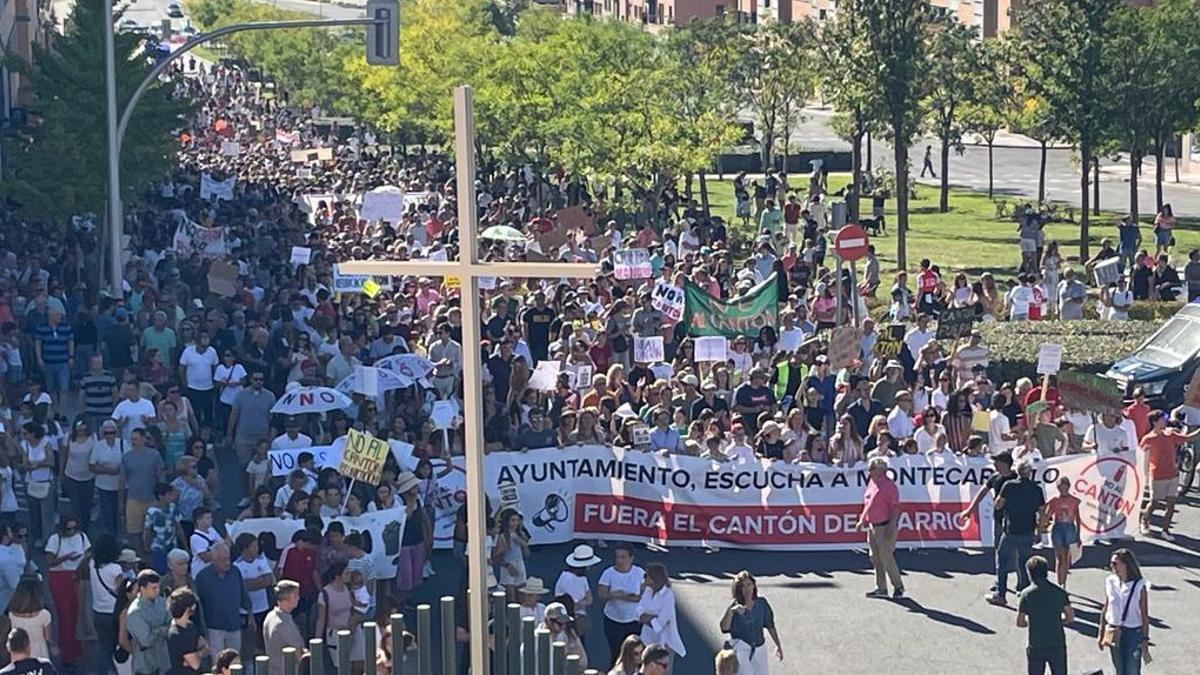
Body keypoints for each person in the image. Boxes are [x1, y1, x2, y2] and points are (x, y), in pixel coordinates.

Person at [988, 459, 1046, 607]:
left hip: (1011, 530)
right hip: (1028, 530)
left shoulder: (1009, 486)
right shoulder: (1036, 489)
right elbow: (1042, 512)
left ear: (1017, 471)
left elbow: (998, 505)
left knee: (1002, 561)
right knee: (1024, 562)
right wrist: (1039, 531)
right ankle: (1024, 592)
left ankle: (1000, 594)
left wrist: (998, 499)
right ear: (1029, 472)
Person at [1139, 410, 1198, 540]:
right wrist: (1145, 476)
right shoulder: (1148, 439)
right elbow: (1143, 458)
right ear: (1155, 422)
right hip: (1157, 475)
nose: (1165, 421)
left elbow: (1187, 438)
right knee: (1154, 503)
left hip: (1172, 474)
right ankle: (1145, 520)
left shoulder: (1170, 434)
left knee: (1171, 504)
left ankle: (1165, 531)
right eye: (1163, 419)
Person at [44, 514, 90, 666]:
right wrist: (66, 558)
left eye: (75, 528)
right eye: (69, 529)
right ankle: (66, 654)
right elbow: (49, 561)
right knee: (65, 616)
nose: (72, 531)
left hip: (77, 576)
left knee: (78, 615)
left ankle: (78, 651)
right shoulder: (55, 539)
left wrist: (82, 564)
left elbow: (88, 554)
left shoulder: (82, 537)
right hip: (59, 578)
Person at [1016, 556, 1074, 675]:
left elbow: (1020, 622)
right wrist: (1059, 622)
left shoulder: (1026, 594)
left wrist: (1034, 622)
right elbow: (1070, 617)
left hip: (1036, 645)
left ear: (1029, 573)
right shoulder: (1060, 592)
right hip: (1057, 644)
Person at [719, 571, 782, 675]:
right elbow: (724, 628)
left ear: (754, 586)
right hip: (741, 648)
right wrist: (731, 612)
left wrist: (778, 645)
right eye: (743, 586)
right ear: (739, 589)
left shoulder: (762, 603)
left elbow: (770, 625)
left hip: (759, 647)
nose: (747, 589)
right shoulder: (735, 606)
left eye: (749, 584)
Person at [857, 457, 903, 598]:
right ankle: (881, 587)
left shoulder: (890, 486)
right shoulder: (872, 483)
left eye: (872, 469)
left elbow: (895, 507)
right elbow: (868, 504)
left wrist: (892, 526)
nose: (869, 471)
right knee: (875, 557)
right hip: (873, 526)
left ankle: (898, 586)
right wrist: (862, 520)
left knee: (886, 557)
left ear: (881, 470)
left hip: (885, 526)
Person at [194, 542, 253, 652]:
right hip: (214, 628)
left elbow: (243, 594)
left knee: (235, 658)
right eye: (223, 560)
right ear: (214, 560)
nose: (227, 562)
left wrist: (250, 614)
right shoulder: (202, 578)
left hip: (234, 624)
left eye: (228, 558)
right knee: (217, 660)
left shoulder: (235, 572)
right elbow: (198, 606)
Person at [1099, 548, 1150, 675]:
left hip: (1133, 633)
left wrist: (1144, 639)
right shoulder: (1110, 581)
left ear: (1126, 564)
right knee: (1119, 669)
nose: (1112, 566)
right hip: (1114, 630)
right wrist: (1101, 633)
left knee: (1132, 670)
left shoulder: (1139, 585)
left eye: (1115, 563)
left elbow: (1144, 615)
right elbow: (1106, 607)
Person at [598, 543, 646, 664]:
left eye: (623, 557)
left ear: (631, 558)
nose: (619, 560)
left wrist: (635, 598)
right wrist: (616, 595)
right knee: (616, 654)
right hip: (613, 620)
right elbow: (602, 594)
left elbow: (646, 593)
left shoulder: (639, 573)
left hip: (634, 620)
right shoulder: (608, 573)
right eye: (617, 557)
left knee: (635, 654)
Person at [636, 564, 685, 672]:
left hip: (664, 644)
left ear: (655, 577)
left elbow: (658, 626)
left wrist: (646, 618)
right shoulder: (648, 591)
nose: (644, 578)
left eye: (646, 575)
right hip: (646, 640)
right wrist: (652, 617)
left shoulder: (668, 596)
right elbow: (638, 611)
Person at [126, 569, 171, 675]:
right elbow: (146, 640)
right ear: (142, 589)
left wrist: (156, 630)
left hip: (164, 662)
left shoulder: (161, 602)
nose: (157, 591)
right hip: (146, 666)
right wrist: (163, 629)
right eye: (153, 588)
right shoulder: (135, 612)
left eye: (158, 587)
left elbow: (172, 624)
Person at [1041, 476, 1081, 588]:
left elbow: (1078, 518)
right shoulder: (1054, 501)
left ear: (1068, 487)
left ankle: (1064, 583)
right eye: (1061, 488)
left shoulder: (1074, 501)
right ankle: (1059, 583)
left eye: (1065, 488)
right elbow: (1048, 515)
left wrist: (1078, 535)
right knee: (1059, 557)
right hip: (1058, 528)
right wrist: (1043, 523)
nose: (1063, 490)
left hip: (1070, 528)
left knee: (1066, 556)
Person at [263, 580, 307, 675]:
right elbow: (299, 653)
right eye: (295, 595)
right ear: (286, 598)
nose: (298, 598)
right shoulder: (282, 624)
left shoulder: (270, 616)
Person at [4, 579, 51, 661]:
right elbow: (47, 637)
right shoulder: (44, 614)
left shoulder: (11, 615)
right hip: (40, 652)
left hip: (19, 653)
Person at [166, 588, 207, 675]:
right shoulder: (176, 634)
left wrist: (196, 655)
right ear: (189, 608)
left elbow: (204, 645)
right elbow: (195, 664)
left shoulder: (190, 626)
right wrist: (199, 654)